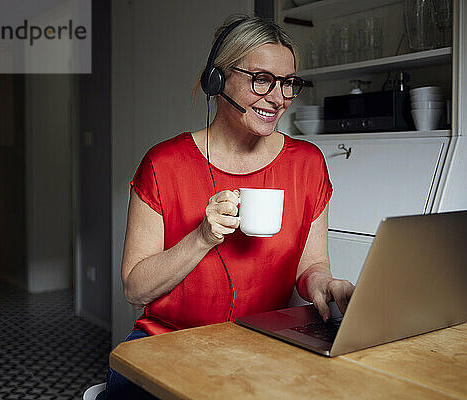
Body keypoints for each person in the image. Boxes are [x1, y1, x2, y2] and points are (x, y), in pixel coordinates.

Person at [106, 14, 355, 399]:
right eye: (262, 79)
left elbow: (312, 266)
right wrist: (203, 237)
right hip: (164, 346)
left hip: (263, 347)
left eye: (289, 84)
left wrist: (325, 285)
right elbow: (135, 289)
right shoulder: (163, 164)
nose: (278, 98)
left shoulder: (307, 163)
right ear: (217, 79)